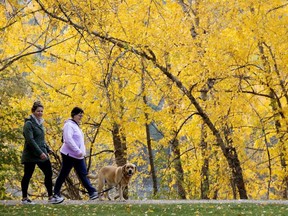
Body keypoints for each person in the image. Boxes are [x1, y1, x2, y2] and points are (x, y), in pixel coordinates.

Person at [50, 107, 98, 204]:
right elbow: (68, 139)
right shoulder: (69, 125)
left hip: (78, 156)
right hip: (69, 154)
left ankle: (92, 192)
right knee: (64, 173)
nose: (81, 117)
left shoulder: (76, 126)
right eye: (79, 115)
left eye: (82, 115)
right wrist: (77, 151)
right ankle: (56, 193)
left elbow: (80, 141)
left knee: (83, 174)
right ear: (74, 115)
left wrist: (82, 153)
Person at [21, 101, 58, 204]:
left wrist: (47, 148)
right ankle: (24, 198)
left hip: (42, 153)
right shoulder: (28, 123)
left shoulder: (40, 123)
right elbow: (30, 140)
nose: (40, 113)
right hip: (31, 154)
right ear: (33, 111)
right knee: (27, 175)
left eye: (42, 111)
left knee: (48, 173)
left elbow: (41, 139)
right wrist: (40, 153)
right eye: (38, 111)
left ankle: (51, 197)